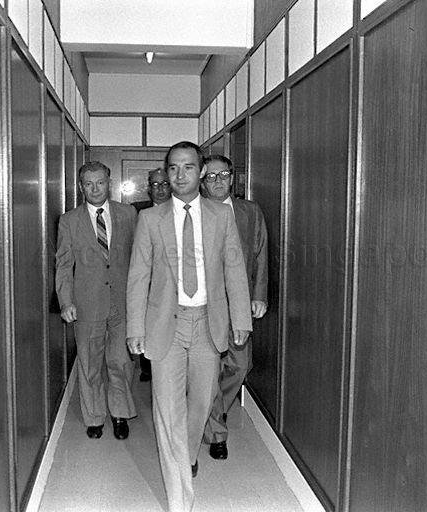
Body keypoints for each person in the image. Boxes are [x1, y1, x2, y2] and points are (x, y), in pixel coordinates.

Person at [126, 141, 252, 512]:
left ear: (201, 172)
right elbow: (138, 276)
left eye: (188, 167)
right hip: (165, 323)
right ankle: (180, 499)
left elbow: (234, 269)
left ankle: (187, 454)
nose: (180, 175)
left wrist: (240, 318)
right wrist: (135, 327)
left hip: (207, 324)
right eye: (173, 168)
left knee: (201, 402)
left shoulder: (221, 216)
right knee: (167, 412)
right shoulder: (150, 219)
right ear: (167, 174)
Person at [56, 161, 138, 440]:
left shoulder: (128, 214)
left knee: (121, 361)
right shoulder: (69, 221)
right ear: (81, 187)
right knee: (89, 363)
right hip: (87, 303)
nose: (95, 189)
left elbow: (140, 259)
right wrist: (66, 301)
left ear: (109, 183)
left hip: (122, 302)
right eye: (89, 184)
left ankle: (120, 414)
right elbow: (64, 265)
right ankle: (94, 416)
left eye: (100, 182)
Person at [200, 155, 268, 460]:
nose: (218, 181)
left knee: (240, 366)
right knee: (209, 370)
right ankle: (216, 432)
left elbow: (260, 254)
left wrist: (259, 294)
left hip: (239, 305)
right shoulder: (194, 212)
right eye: (211, 176)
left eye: (223, 175)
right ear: (202, 182)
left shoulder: (250, 211)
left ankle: (215, 409)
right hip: (205, 305)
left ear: (233, 177)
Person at [130, 167, 172, 382]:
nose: (160, 189)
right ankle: (148, 367)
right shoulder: (136, 212)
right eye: (155, 184)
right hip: (145, 282)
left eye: (164, 184)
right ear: (148, 188)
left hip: (172, 285)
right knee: (148, 326)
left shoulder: (182, 211)